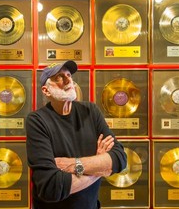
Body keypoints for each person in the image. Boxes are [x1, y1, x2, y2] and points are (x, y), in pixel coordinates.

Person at [26, 60, 127, 209]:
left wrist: (74, 164)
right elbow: (51, 187)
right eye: (59, 77)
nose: (68, 80)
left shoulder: (91, 111)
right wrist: (100, 167)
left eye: (69, 75)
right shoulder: (37, 121)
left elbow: (120, 158)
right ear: (46, 91)